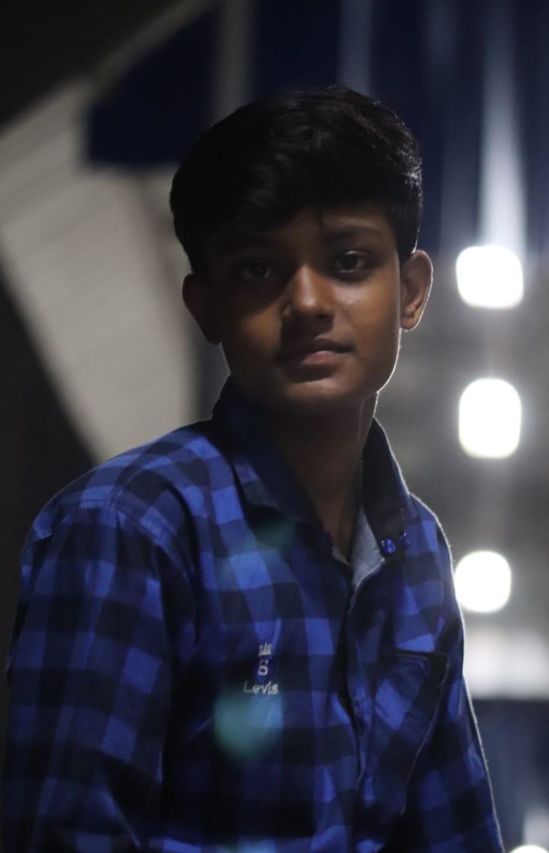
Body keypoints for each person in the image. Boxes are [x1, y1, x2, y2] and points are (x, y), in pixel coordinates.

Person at [3, 87, 503, 851]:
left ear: (410, 292)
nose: (306, 301)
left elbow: (456, 833)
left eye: (347, 261)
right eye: (259, 269)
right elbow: (68, 835)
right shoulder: (132, 529)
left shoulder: (417, 554)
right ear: (206, 308)